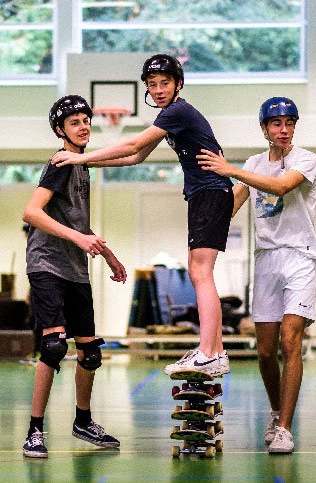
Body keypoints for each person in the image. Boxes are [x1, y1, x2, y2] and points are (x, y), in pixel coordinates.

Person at [52, 54, 234, 377]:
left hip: (210, 191)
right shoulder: (170, 116)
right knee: (200, 272)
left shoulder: (177, 111)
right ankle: (214, 351)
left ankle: (209, 353)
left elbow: (133, 142)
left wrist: (81, 157)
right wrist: (86, 162)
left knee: (200, 272)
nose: (159, 89)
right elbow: (137, 157)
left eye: (165, 83)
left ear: (178, 84)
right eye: (153, 85)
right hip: (205, 194)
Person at [196, 97, 316, 454]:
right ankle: (275, 410)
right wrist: (201, 213)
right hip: (266, 260)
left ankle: (284, 429)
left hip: (299, 257)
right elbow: (231, 205)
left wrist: (230, 170)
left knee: (289, 341)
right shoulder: (253, 163)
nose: (283, 130)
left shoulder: (304, 159)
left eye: (289, 123)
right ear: (264, 128)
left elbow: (281, 187)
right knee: (265, 351)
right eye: (276, 124)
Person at [22, 95, 127, 458]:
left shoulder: (82, 164)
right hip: (47, 264)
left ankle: (83, 421)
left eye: (85, 120)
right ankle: (35, 430)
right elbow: (31, 212)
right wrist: (80, 239)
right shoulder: (61, 162)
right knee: (53, 347)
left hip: (75, 269)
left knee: (90, 353)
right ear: (59, 131)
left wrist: (107, 255)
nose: (83, 126)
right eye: (74, 122)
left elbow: (76, 222)